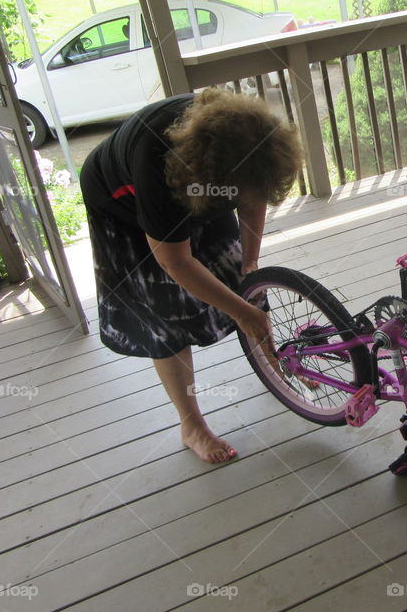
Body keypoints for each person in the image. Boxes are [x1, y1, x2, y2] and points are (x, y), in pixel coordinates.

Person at [80, 88, 302, 463]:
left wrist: (249, 265)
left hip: (203, 180)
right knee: (165, 316)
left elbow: (253, 197)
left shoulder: (245, 137)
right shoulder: (157, 165)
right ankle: (191, 425)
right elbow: (176, 262)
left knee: (241, 280)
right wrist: (241, 312)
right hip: (123, 203)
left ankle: (277, 364)